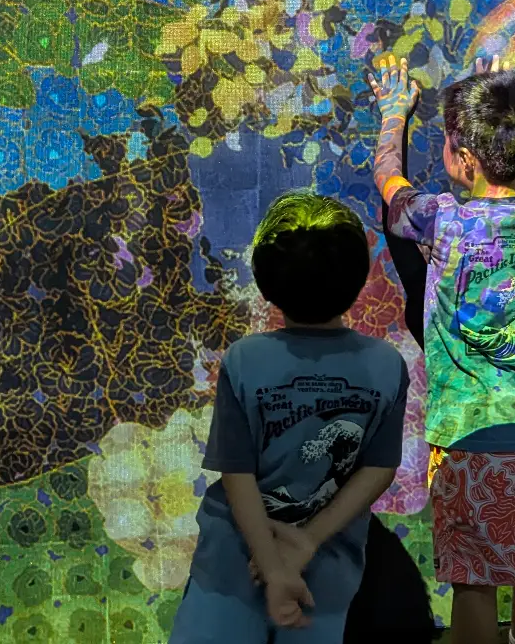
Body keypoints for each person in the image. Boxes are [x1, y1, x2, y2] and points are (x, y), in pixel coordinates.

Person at [368, 56, 515, 644]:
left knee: (475, 578)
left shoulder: (442, 221)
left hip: (469, 432)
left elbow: (389, 180)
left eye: (449, 140)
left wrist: (392, 114)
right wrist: (502, 101)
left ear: (463, 160)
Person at [170, 191, 411, 644]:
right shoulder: (384, 364)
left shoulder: (245, 360)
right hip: (326, 559)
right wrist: (304, 545)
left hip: (234, 555)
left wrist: (271, 560)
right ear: (358, 279)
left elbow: (237, 472)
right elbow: (379, 468)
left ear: (265, 282)